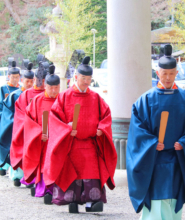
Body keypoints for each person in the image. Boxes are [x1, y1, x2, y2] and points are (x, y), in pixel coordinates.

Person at [43, 56, 117, 213]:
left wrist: (102, 129)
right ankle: (72, 201)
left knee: (92, 169)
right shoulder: (64, 96)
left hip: (89, 143)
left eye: (89, 78)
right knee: (72, 170)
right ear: (76, 77)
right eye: (83, 78)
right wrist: (66, 129)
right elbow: (54, 118)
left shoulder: (96, 97)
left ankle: (93, 201)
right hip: (71, 143)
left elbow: (106, 116)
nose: (86, 81)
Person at [127, 44, 185, 220]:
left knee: (173, 202)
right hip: (154, 159)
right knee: (156, 202)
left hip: (178, 158)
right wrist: (152, 143)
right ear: (158, 73)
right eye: (165, 74)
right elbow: (137, 130)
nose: (168, 77)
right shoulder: (145, 100)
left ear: (177, 73)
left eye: (172, 73)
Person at [23, 65, 60, 203]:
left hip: (58, 139)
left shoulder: (62, 99)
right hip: (43, 139)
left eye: (56, 87)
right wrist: (38, 133)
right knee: (44, 163)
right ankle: (46, 189)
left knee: (57, 162)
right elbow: (28, 120)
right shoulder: (37, 100)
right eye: (51, 88)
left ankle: (58, 190)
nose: (54, 91)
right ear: (45, 85)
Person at [0, 63, 34, 186]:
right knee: (18, 150)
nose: (29, 84)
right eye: (27, 81)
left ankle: (30, 177)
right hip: (17, 127)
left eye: (31, 81)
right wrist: (20, 122)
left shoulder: (36, 95)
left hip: (32, 129)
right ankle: (17, 176)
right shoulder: (14, 95)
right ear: (22, 80)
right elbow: (8, 114)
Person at [10, 61, 48, 184]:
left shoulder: (50, 95)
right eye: (39, 80)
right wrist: (34, 128)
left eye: (44, 81)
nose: (42, 83)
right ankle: (26, 177)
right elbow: (20, 115)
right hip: (29, 131)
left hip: (47, 132)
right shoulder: (25, 95)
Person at [0, 61, 20, 176]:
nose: (15, 79)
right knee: (4, 141)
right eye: (13, 77)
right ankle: (3, 165)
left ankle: (15, 170)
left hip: (17, 122)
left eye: (17, 77)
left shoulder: (21, 90)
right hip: (4, 121)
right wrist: (6, 114)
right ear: (8, 76)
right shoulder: (1, 90)